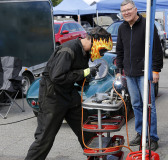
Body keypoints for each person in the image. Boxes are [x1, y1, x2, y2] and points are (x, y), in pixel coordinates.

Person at [25, 26, 113, 160]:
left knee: (86, 129)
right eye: (102, 50)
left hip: (69, 93)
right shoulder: (68, 50)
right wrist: (84, 72)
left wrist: (88, 75)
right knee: (45, 138)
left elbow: (78, 75)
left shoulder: (85, 52)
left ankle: (96, 157)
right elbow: (57, 77)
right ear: (93, 42)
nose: (102, 54)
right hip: (52, 95)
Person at [116, 0, 163, 151]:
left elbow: (156, 48)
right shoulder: (122, 28)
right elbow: (120, 51)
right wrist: (119, 70)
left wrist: (156, 70)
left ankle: (153, 137)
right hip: (129, 73)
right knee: (135, 105)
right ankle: (140, 133)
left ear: (136, 9)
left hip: (145, 73)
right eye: (124, 11)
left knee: (149, 106)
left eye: (129, 9)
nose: (126, 13)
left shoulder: (147, 25)